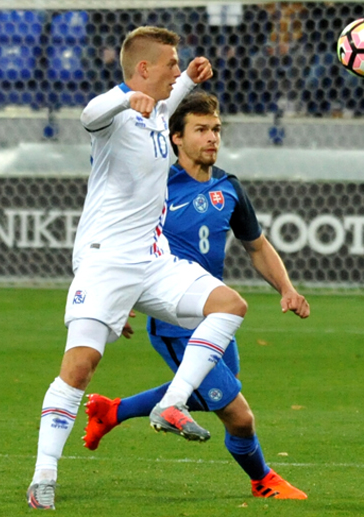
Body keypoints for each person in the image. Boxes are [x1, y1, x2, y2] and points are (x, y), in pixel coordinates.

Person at [28, 27, 258, 510]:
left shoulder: (160, 107)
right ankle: (43, 473)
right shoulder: (115, 115)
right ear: (143, 70)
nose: (178, 70)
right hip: (104, 260)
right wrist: (123, 99)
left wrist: (189, 78)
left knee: (228, 305)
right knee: (80, 367)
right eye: (172, 63)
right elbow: (89, 114)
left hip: (152, 261)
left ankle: (171, 403)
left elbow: (174, 93)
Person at [81, 91, 310, 500]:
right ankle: (263, 481)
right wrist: (119, 299)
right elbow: (122, 241)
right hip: (174, 316)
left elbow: (256, 245)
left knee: (211, 390)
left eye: (216, 129)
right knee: (239, 416)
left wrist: (288, 288)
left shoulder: (229, 187)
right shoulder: (157, 186)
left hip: (214, 312)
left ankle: (111, 411)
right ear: (175, 138)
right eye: (201, 130)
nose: (211, 138)